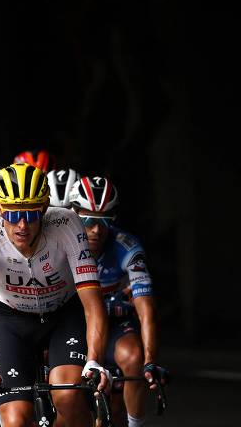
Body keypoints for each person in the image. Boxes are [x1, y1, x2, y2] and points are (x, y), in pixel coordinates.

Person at [0, 163, 110, 427]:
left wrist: (95, 361)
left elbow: (92, 303)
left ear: (44, 208)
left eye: (31, 215)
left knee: (68, 396)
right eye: (12, 215)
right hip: (9, 319)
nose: (22, 225)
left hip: (62, 315)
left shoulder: (67, 223)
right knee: (15, 419)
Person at [69, 176, 168, 427]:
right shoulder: (58, 242)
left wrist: (150, 361)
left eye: (104, 221)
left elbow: (147, 310)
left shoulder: (128, 247)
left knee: (133, 357)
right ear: (72, 213)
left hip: (113, 323)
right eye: (88, 219)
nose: (96, 230)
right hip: (70, 324)